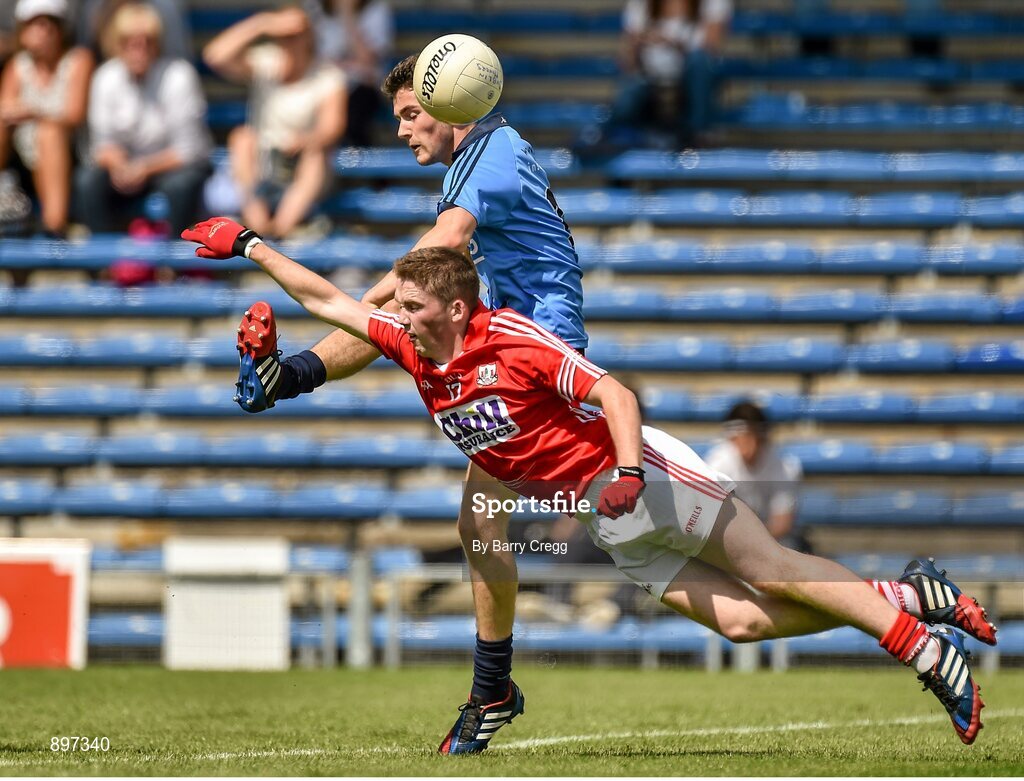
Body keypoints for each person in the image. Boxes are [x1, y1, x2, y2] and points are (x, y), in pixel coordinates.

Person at [183, 217, 996, 751]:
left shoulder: (512, 341)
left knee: (772, 566)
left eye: (411, 301)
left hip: (641, 474)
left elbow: (617, 394)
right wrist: (251, 244)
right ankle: (910, 594)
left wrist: (632, 470)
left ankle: (923, 650)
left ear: (458, 309)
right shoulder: (412, 344)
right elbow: (325, 298)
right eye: (397, 300)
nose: (394, 311)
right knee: (745, 622)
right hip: (603, 516)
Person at [231, 50, 590, 726]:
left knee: (657, 548)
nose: (400, 130)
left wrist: (358, 303)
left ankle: (494, 688)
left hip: (537, 358)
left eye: (409, 114)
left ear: (451, 104)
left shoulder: (488, 154)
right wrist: (366, 307)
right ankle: (494, 688)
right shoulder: (480, 157)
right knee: (480, 523)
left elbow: (445, 243)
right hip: (514, 347)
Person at [202, 4, 347, 239]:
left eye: (293, 36)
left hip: (300, 164)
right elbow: (214, 56)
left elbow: (332, 127)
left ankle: (279, 231)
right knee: (242, 138)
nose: (286, 42)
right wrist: (261, 23)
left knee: (316, 154)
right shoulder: (266, 62)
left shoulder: (327, 76)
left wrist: (306, 140)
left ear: (308, 38)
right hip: (262, 164)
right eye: (281, 36)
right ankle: (257, 223)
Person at [75, 1, 211, 234]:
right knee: (87, 181)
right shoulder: (105, 77)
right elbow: (101, 144)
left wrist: (144, 168)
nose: (139, 48)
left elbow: (189, 149)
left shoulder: (179, 75)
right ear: (117, 43)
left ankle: (174, 261)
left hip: (171, 168)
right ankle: (104, 261)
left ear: (158, 43)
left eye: (147, 40)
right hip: (127, 167)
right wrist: (120, 165)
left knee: (182, 184)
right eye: (129, 41)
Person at [584, 0, 730, 152]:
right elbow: (627, 63)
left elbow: (710, 50)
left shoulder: (712, 3)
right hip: (650, 85)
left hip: (690, 86)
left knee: (699, 62)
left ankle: (697, 133)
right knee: (632, 87)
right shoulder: (641, 4)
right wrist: (637, 44)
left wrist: (673, 44)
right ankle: (607, 137)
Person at [0, 0, 93, 235]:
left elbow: (75, 114)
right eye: (36, 24)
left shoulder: (79, 60)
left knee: (49, 133)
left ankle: (54, 226)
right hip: (23, 155)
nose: (44, 31)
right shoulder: (17, 66)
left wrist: (33, 113)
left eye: (49, 24)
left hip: (71, 155)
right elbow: (5, 108)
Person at [704, 400, 806, 549]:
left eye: (750, 434)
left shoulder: (785, 467)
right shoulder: (717, 465)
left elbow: (782, 523)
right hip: (729, 540)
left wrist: (753, 544)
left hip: (773, 542)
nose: (747, 443)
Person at [304, 0, 392, 146]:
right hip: (321, 86)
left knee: (353, 120)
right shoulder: (314, 8)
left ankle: (356, 161)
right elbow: (308, 58)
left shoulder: (376, 10)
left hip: (361, 87)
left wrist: (347, 15)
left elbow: (368, 60)